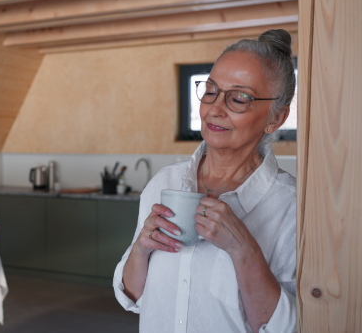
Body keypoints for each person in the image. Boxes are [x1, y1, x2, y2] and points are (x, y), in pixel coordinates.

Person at [114, 29, 297, 332]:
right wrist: (142, 249)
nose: (214, 109)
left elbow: (285, 327)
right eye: (211, 90)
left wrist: (244, 251)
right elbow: (131, 296)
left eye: (239, 98)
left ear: (275, 119)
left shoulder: (289, 206)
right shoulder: (164, 182)